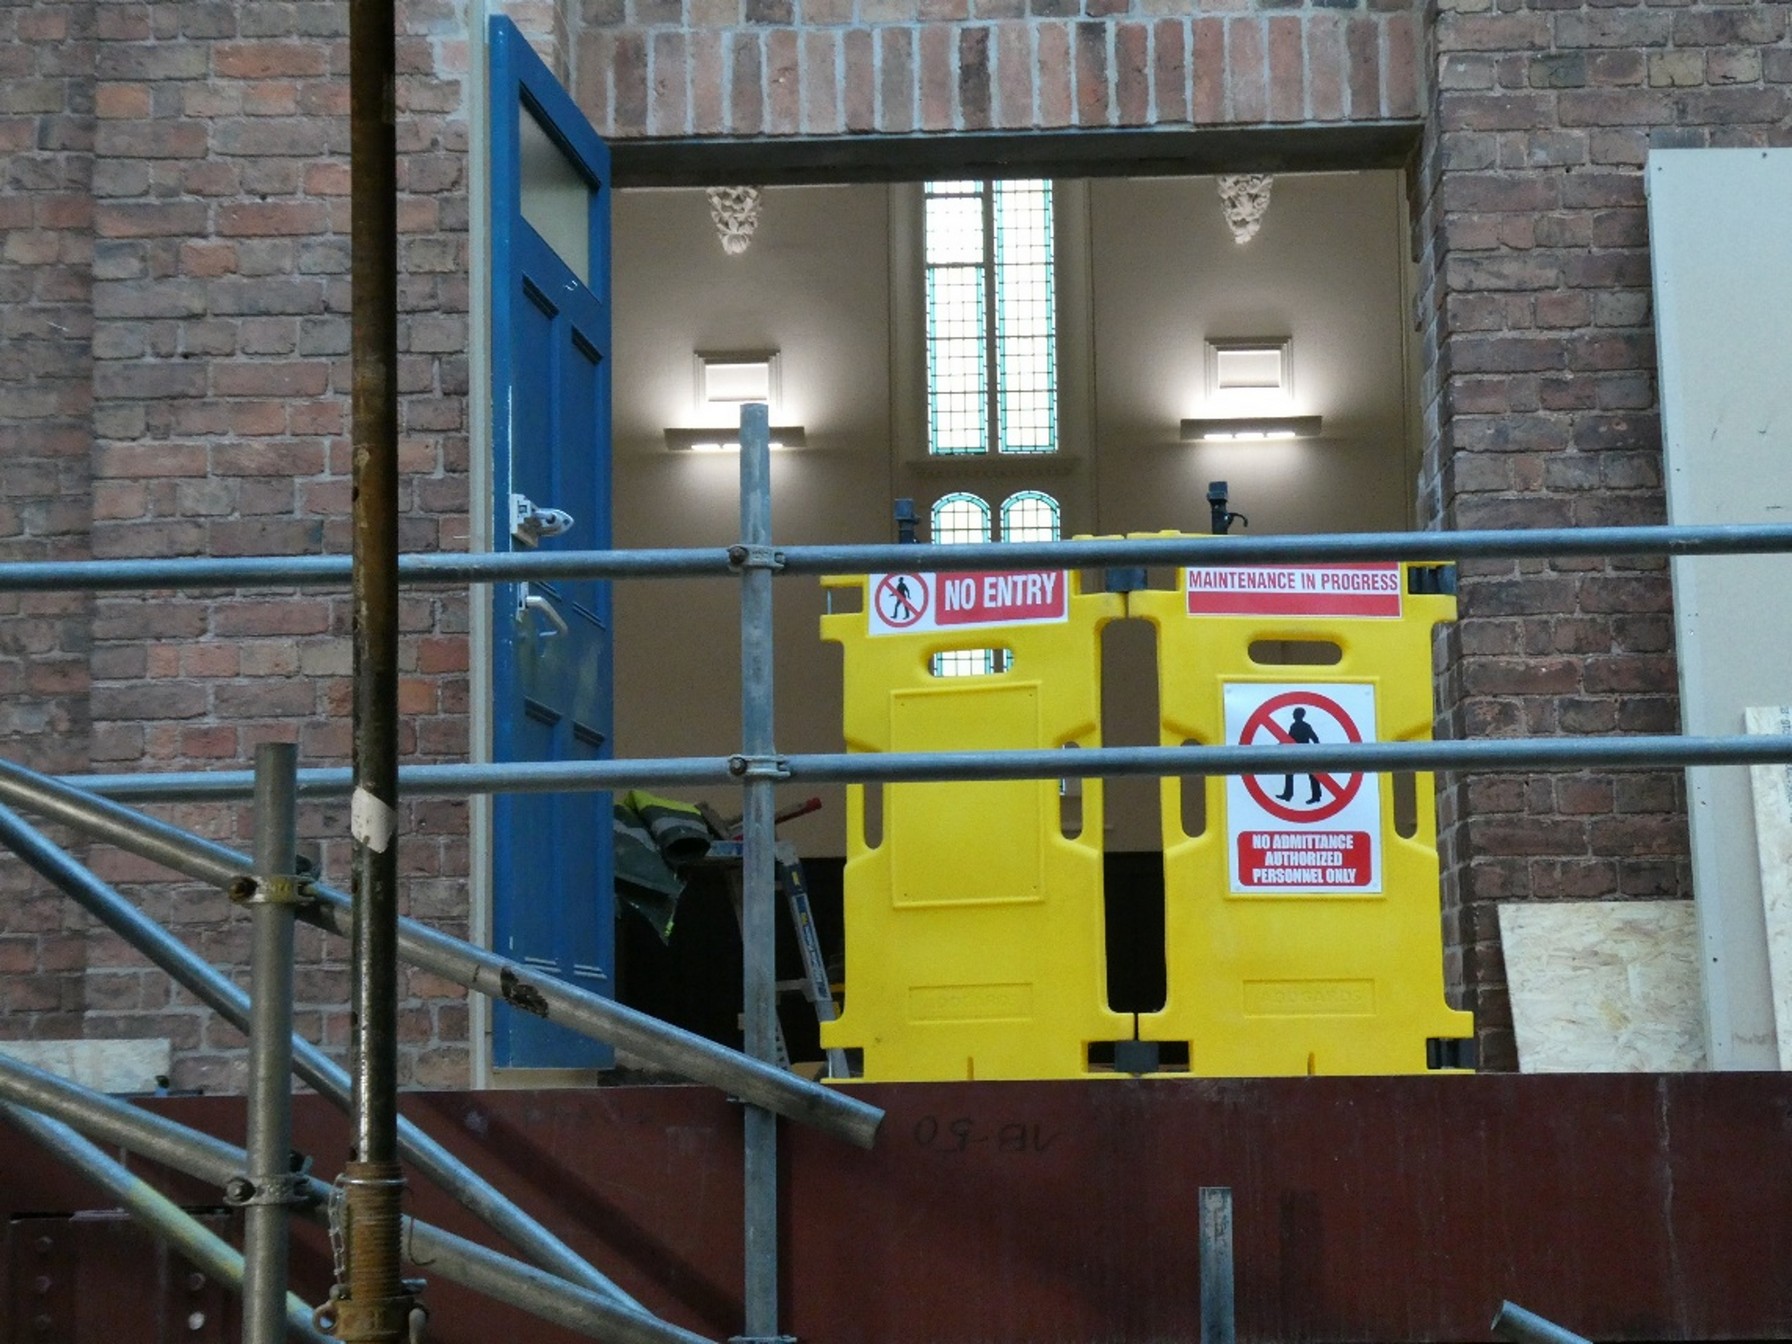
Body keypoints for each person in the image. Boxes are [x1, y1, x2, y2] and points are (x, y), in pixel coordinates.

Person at [1276, 706, 1323, 805]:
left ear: (1299, 715)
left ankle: (1315, 796)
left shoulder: (1303, 726)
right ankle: (1288, 794)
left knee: (1311, 775)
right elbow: (1289, 738)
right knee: (1290, 773)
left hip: (1304, 753)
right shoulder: (1296, 726)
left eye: (1295, 713)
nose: (1293, 715)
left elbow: (1315, 738)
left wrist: (1318, 751)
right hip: (1299, 753)